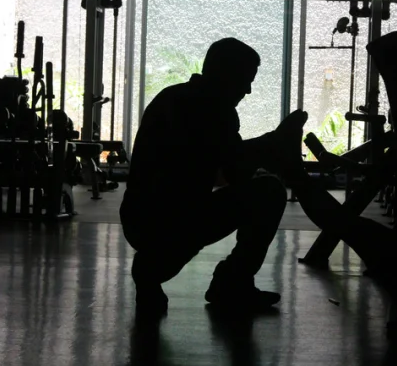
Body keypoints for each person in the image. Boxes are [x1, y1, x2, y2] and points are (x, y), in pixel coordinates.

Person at [121, 37, 308, 317]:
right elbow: (234, 171)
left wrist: (264, 148)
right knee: (269, 192)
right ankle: (228, 281)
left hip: (143, 219)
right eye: (245, 80)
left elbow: (226, 169)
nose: (248, 90)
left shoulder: (174, 98)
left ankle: (155, 269)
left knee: (263, 190)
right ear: (226, 75)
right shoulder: (211, 111)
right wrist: (272, 145)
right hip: (171, 222)